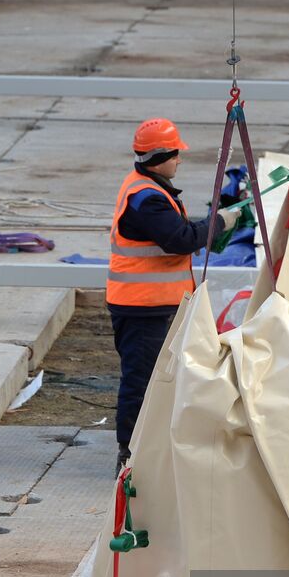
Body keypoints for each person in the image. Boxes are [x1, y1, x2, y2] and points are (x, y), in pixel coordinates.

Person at [107, 118, 239, 473]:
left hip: (152, 304)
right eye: (176, 153)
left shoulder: (149, 188)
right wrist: (220, 223)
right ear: (160, 156)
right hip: (143, 307)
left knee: (158, 378)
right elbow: (179, 239)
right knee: (142, 380)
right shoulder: (147, 199)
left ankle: (148, 447)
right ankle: (131, 456)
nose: (180, 159)